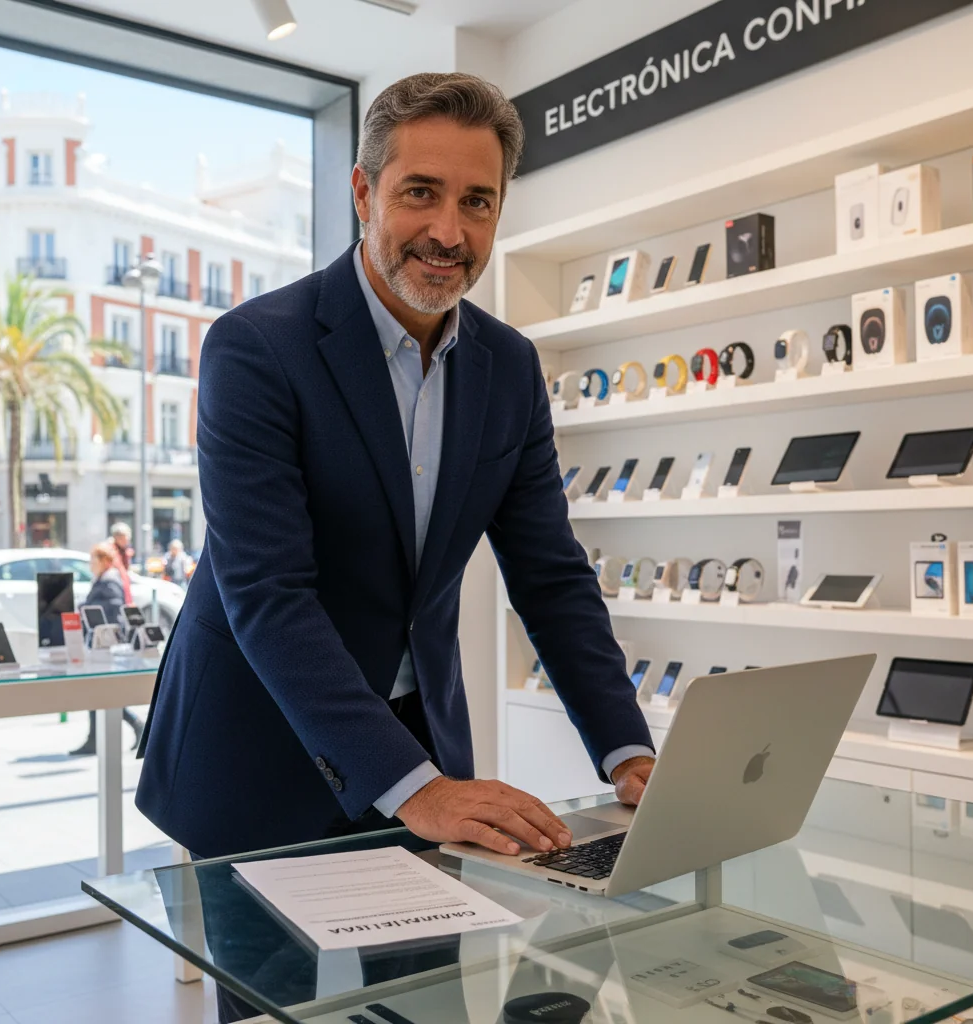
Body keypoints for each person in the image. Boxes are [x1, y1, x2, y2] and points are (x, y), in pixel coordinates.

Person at [136, 73, 657, 1019]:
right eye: (420, 192)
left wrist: (626, 749)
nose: (448, 233)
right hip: (259, 748)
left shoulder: (508, 366)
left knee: (428, 1003)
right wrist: (416, 789)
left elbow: (549, 571)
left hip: (420, 743)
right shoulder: (256, 347)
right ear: (364, 191)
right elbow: (268, 593)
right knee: (276, 1007)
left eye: (477, 201)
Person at [68, 542, 145, 756]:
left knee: (101, 691)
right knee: (98, 690)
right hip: (100, 643)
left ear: (103, 561)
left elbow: (112, 609)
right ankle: (97, 736)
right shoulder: (104, 580)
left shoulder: (109, 581)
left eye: (93, 561)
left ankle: (136, 725)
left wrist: (84, 608)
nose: (91, 565)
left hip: (105, 644)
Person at [109, 521, 134, 605]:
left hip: (122, 591)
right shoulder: (111, 551)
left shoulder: (124, 551)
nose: (126, 541)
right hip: (114, 592)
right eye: (124, 538)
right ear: (116, 537)